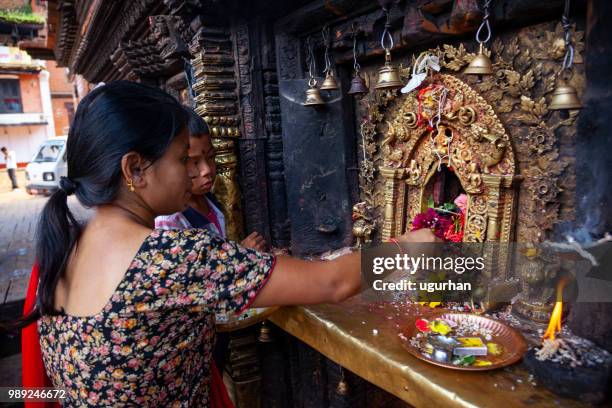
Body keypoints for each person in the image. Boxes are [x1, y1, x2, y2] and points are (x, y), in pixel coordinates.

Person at [4, 81, 435, 407]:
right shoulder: (172, 258)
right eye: (180, 160)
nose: (192, 173)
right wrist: (410, 245)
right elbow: (332, 285)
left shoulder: (65, 247)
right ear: (134, 169)